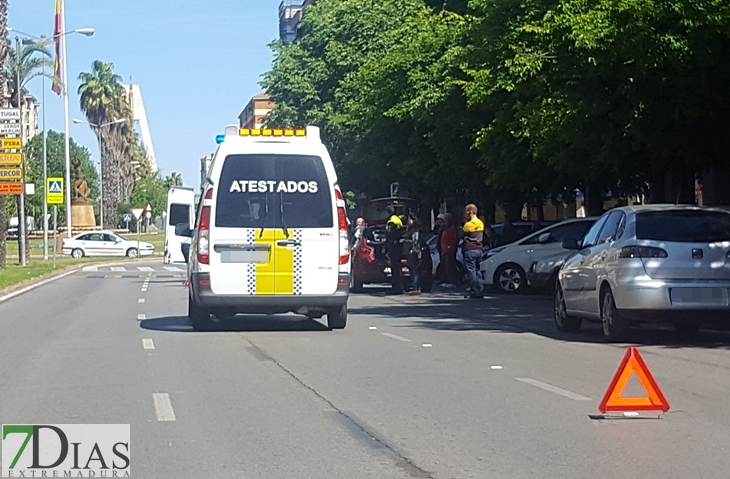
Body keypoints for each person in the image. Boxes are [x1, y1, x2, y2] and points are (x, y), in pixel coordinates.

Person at [462, 203, 485, 299]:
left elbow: (462, 235)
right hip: (479, 249)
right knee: (477, 270)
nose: (465, 214)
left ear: (470, 212)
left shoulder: (468, 225)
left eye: (466, 212)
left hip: (470, 249)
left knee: (471, 271)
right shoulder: (481, 223)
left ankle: (473, 290)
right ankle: (480, 290)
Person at [385, 205, 405, 294]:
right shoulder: (397, 219)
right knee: (398, 269)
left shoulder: (392, 220)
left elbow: (391, 234)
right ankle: (399, 287)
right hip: (398, 247)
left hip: (394, 247)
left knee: (395, 269)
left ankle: (396, 288)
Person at [401, 215, 423, 295]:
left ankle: (415, 288)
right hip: (409, 252)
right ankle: (414, 287)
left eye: (409, 219)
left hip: (413, 252)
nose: (408, 221)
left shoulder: (415, 230)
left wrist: (405, 240)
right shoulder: (410, 229)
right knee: (412, 270)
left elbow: (415, 241)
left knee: (414, 271)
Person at [439, 213, 459, 285]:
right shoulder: (445, 228)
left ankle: (452, 281)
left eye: (446, 219)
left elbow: (454, 239)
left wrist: (450, 247)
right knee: (445, 266)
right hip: (444, 250)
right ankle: (446, 280)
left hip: (449, 250)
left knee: (450, 266)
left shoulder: (452, 228)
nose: (445, 221)